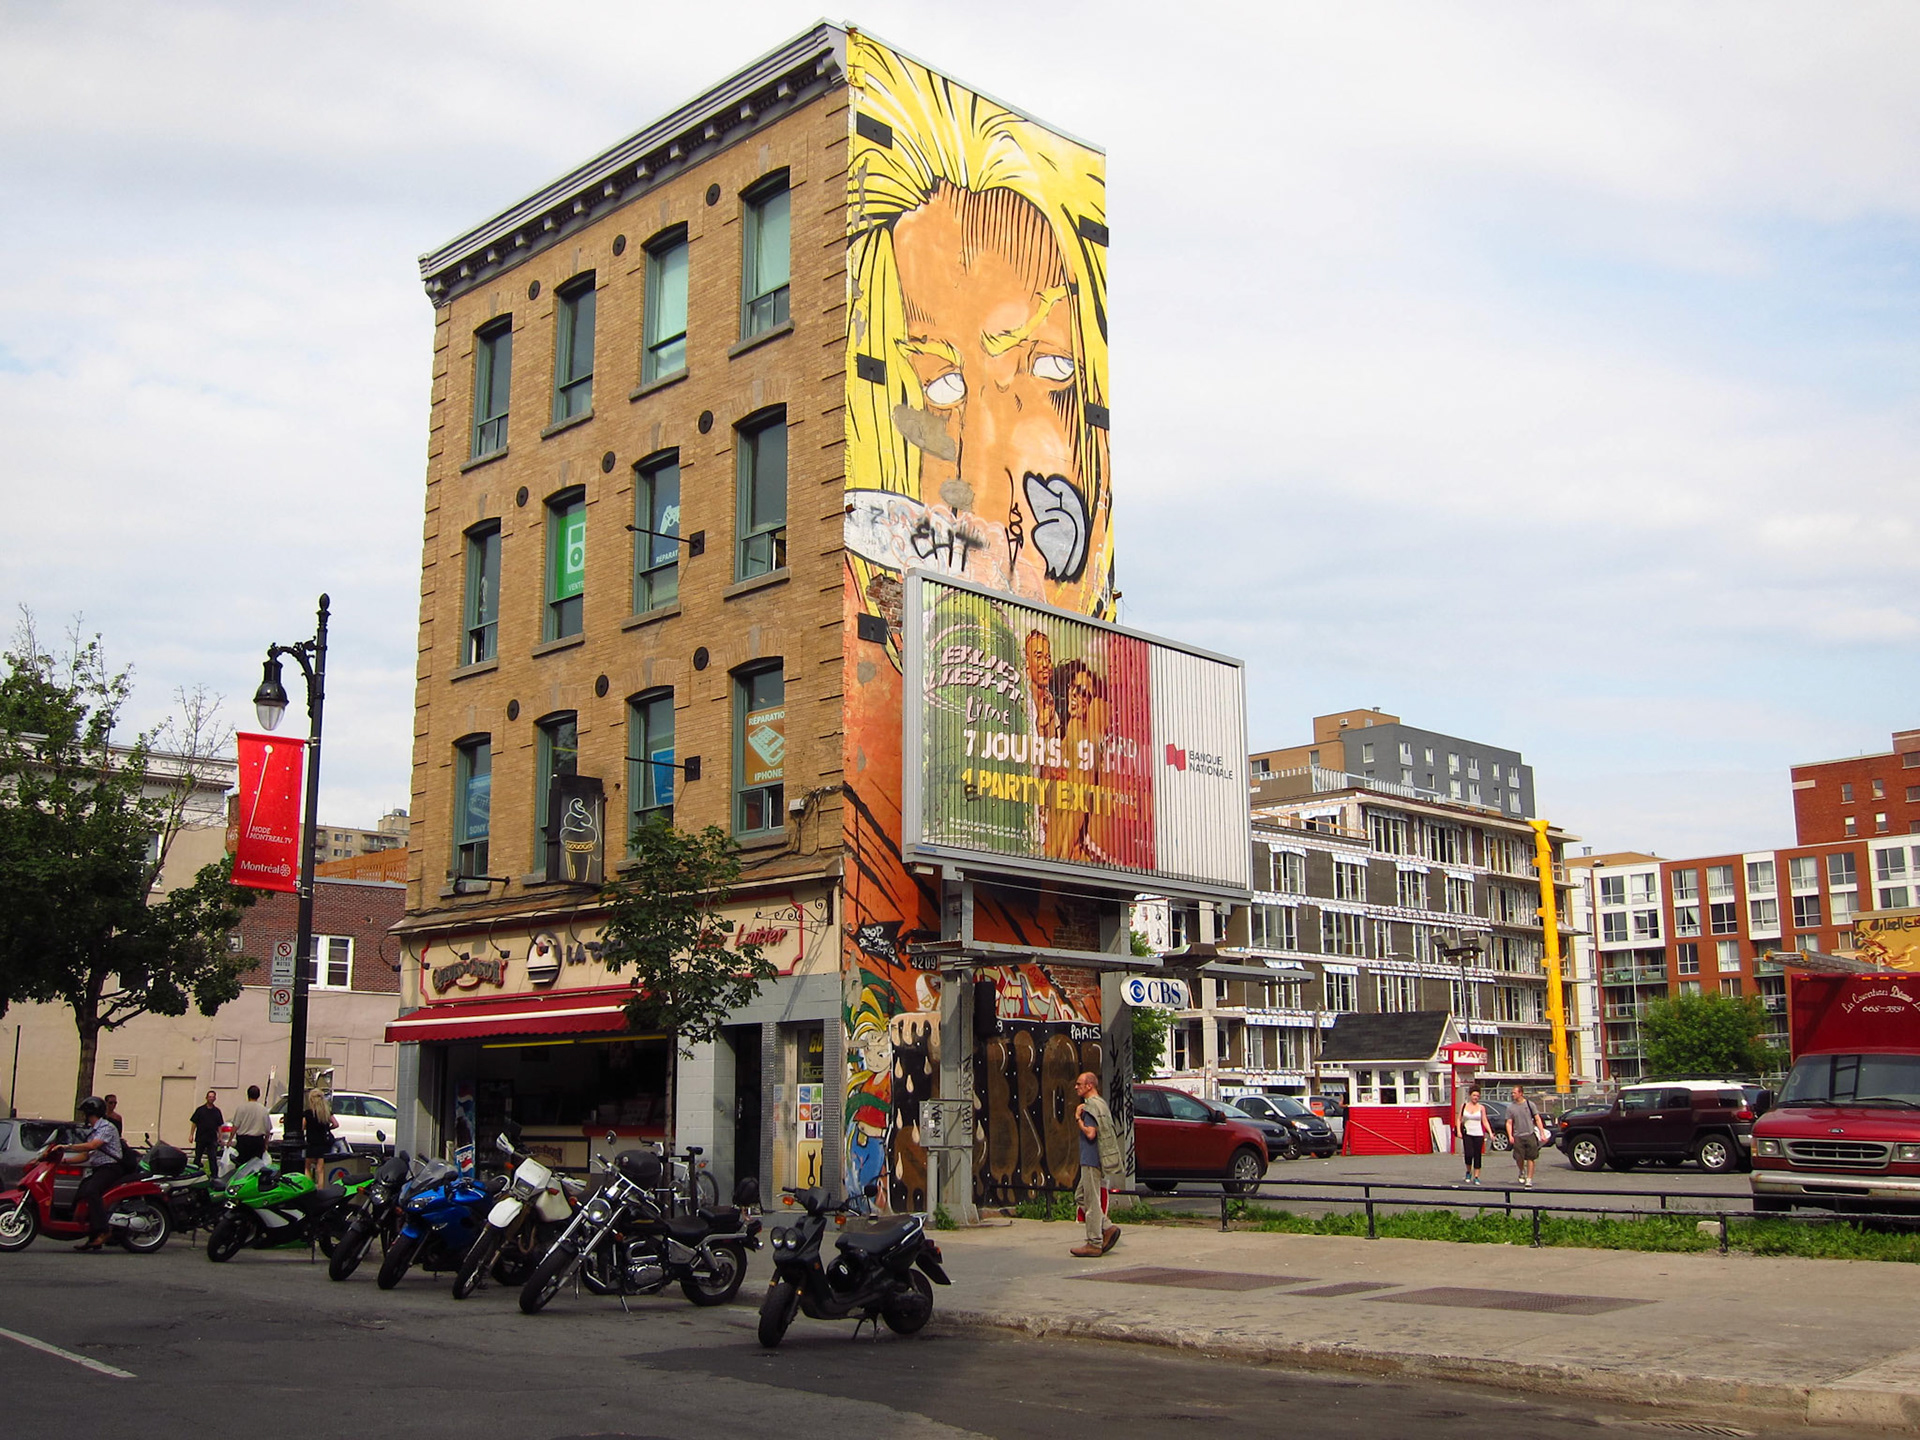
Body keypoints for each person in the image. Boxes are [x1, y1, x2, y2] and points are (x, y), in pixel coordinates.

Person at [44, 1097, 127, 1252]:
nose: (83, 1116)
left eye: (84, 1113)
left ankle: (104, 1231)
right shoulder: (94, 1131)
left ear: (90, 1112)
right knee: (82, 1192)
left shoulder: (106, 1128)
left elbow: (93, 1146)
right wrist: (63, 1161)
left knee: (92, 1191)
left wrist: (66, 1146)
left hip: (111, 1168)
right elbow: (85, 1155)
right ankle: (92, 1236)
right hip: (99, 1169)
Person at [1069, 1072, 1122, 1258]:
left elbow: (1091, 1134)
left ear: (1089, 1085)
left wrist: (1078, 1118)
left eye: (1079, 1084)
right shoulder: (1102, 1104)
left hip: (1091, 1159)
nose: (1076, 1087)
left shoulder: (1090, 1107)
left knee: (1090, 1200)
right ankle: (1107, 1227)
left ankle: (1094, 1242)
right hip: (1097, 1158)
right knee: (1081, 1195)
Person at [1507, 1085, 1544, 1188]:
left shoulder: (1529, 1104)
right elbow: (1509, 1122)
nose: (1512, 1095)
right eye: (1512, 1093)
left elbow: (1537, 1119)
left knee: (1531, 1157)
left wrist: (1542, 1133)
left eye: (1514, 1093)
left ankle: (1529, 1179)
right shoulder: (1511, 1107)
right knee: (1519, 1158)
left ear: (1521, 1093)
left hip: (1530, 1134)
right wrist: (1510, 1135)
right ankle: (1521, 1170)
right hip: (1518, 1135)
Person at [302, 1089, 339, 1183]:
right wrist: (328, 1128)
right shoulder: (326, 1112)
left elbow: (302, 1127)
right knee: (321, 1170)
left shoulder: (308, 1113)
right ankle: (321, 1189)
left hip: (311, 1142)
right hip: (324, 1142)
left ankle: (310, 1187)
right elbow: (336, 1124)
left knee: (307, 1167)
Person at [230, 1085, 271, 1164]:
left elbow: (235, 1126)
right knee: (256, 1164)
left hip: (243, 1141)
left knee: (242, 1164)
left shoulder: (241, 1108)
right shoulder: (263, 1110)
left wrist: (230, 1140)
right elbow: (267, 1130)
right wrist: (266, 1144)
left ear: (247, 1094)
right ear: (258, 1095)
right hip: (257, 1141)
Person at [1458, 1086, 1490, 1186]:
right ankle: (1468, 1172)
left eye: (1477, 1096)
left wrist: (1490, 1132)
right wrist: (1459, 1131)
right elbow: (1459, 1119)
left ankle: (1476, 1176)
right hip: (1467, 1133)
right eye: (1474, 1095)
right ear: (1470, 1095)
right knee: (1468, 1154)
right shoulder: (1464, 1106)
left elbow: (1484, 1120)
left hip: (1478, 1133)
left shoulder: (1481, 1108)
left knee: (1477, 1155)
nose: (1476, 1097)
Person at [188, 1089, 224, 1176]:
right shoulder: (200, 1110)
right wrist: (191, 1135)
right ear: (206, 1098)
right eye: (210, 1097)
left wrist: (220, 1137)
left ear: (215, 1098)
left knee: (212, 1158)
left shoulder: (217, 1111)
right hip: (201, 1138)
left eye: (213, 1097)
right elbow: (194, 1123)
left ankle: (214, 1176)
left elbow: (220, 1126)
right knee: (197, 1157)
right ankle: (194, 1174)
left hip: (212, 1139)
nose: (211, 1098)